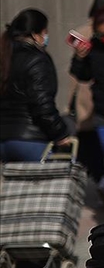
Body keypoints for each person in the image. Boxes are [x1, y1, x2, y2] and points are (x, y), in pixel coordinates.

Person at [0, 9, 73, 161]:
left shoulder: (4, 56)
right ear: (35, 34)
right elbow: (42, 105)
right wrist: (61, 134)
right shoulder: (37, 60)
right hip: (31, 140)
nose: (46, 37)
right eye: (45, 32)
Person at [71, 5, 104, 202]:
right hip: (102, 111)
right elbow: (82, 74)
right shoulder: (93, 46)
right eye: (100, 28)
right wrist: (80, 58)